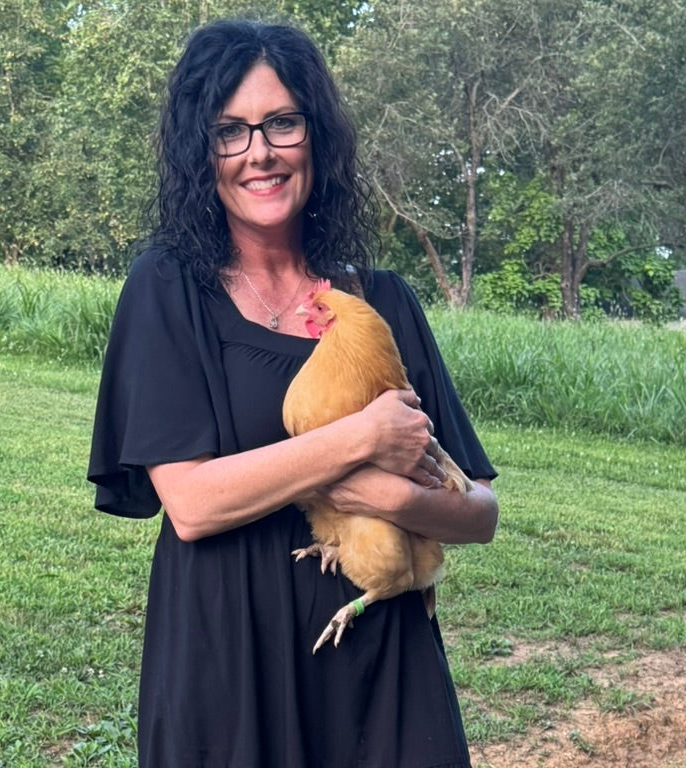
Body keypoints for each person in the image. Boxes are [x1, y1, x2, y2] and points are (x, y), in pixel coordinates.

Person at [88, 18, 498, 768]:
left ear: (317, 137)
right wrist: (362, 440)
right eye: (230, 131)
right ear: (201, 152)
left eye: (282, 123)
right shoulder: (167, 291)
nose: (260, 153)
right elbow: (194, 504)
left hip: (382, 668)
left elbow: (480, 513)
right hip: (229, 666)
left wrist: (388, 497)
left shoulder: (381, 304)